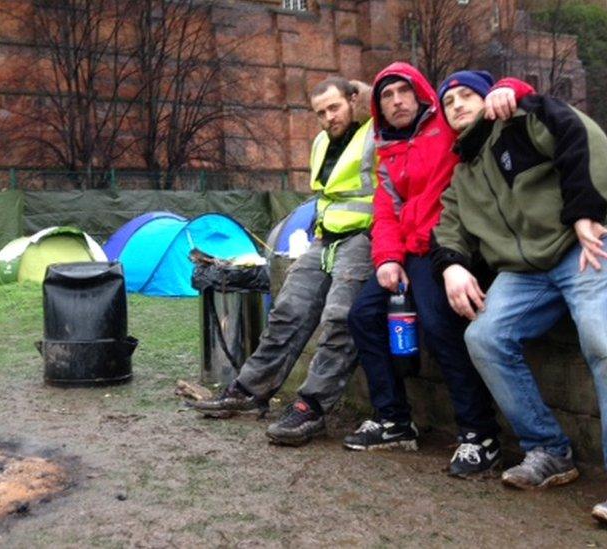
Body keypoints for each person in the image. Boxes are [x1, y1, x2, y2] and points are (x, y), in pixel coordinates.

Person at [432, 71, 607, 523]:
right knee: (484, 337)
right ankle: (549, 451)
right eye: (448, 101)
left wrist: (587, 210)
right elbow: (447, 224)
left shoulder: (525, 120)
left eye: (466, 94)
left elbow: (581, 133)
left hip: (578, 247)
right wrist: (451, 265)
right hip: (524, 273)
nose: (456, 105)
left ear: (490, 96)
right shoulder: (464, 171)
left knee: (601, 339)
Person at [342, 63, 532, 479]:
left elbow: (495, 98)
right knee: (362, 317)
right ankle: (394, 420)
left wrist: (510, 88)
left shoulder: (445, 126)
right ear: (379, 108)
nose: (396, 101)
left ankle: (480, 433)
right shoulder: (386, 148)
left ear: (421, 94)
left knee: (438, 321)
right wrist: (388, 259)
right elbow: (385, 210)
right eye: (386, 96)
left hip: (444, 247)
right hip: (406, 253)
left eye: (403, 92)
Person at [188, 76, 377, 446]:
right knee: (287, 310)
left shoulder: (376, 132)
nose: (327, 118)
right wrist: (318, 235)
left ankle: (311, 408)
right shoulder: (321, 142)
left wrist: (362, 91)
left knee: (339, 319)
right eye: (320, 112)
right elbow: (325, 196)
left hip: (366, 237)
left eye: (335, 107)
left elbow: (386, 99)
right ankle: (248, 389)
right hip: (325, 237)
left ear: (354, 100)